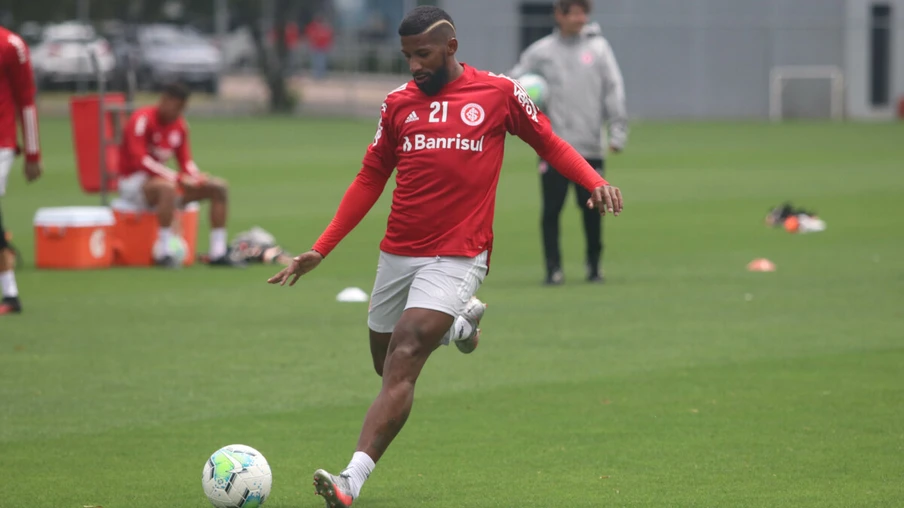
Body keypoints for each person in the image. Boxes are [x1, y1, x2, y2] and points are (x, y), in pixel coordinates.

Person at [267, 6, 623, 507]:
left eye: (423, 54)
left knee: (406, 355)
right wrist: (321, 248)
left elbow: (548, 141)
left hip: (460, 252)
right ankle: (460, 324)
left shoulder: (497, 93)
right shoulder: (396, 105)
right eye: (407, 56)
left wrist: (594, 180)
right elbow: (371, 178)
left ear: (451, 48)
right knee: (384, 364)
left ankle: (350, 481)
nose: (414, 65)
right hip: (398, 252)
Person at [510, 0, 628, 285]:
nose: (580, 17)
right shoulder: (542, 51)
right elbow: (512, 83)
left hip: (590, 145)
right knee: (551, 210)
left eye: (584, 12)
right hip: (553, 147)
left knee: (593, 209)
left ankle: (594, 266)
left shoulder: (599, 49)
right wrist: (531, 99)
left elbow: (614, 88)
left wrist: (618, 131)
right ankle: (553, 269)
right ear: (559, 14)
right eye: (574, 11)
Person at [118, 82, 243, 267]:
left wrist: (196, 178)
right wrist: (177, 179)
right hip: (134, 181)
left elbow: (186, 162)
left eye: (183, 108)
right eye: (177, 107)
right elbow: (140, 160)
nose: (179, 112)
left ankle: (218, 252)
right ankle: (163, 252)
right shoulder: (142, 119)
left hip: (162, 181)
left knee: (218, 187)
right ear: (164, 100)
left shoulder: (180, 126)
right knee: (167, 188)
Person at [0, 26, 42, 316]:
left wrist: (32, 151)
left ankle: (11, 293)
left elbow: (26, 98)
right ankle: (11, 294)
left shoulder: (10, 45)